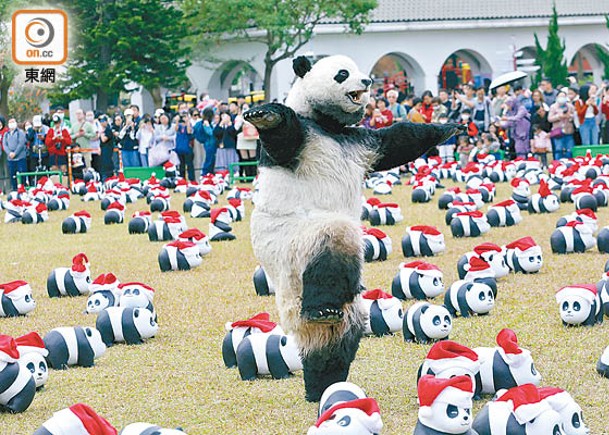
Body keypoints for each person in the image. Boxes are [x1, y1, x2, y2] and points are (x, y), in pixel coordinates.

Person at [548, 91, 576, 160]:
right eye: (560, 96)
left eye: (563, 96)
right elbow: (549, 118)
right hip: (558, 132)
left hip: (569, 131)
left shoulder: (570, 106)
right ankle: (558, 165)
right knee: (558, 150)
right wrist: (559, 116)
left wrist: (569, 116)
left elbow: (575, 116)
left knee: (570, 150)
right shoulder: (553, 107)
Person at [3, 118, 27, 190]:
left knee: (22, 175)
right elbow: (4, 145)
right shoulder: (6, 134)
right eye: (10, 122)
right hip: (10, 159)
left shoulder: (20, 132)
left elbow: (21, 144)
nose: (11, 124)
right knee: (12, 175)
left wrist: (15, 153)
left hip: (20, 158)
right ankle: (14, 189)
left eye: (13, 122)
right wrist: (9, 153)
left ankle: (23, 188)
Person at [194, 107, 217, 175]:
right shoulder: (206, 123)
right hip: (209, 144)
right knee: (209, 161)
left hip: (207, 144)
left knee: (210, 161)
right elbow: (210, 133)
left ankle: (208, 175)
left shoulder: (201, 122)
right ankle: (205, 175)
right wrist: (208, 126)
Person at [174, 111, 194, 180]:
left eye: (185, 117)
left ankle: (191, 179)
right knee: (181, 165)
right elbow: (176, 129)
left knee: (189, 165)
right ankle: (182, 179)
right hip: (180, 148)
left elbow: (189, 131)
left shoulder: (190, 125)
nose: (183, 118)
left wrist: (187, 122)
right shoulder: (179, 126)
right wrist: (177, 121)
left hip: (187, 148)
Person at [98, 115, 114, 181]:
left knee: (107, 164)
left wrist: (101, 133)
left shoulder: (108, 130)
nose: (102, 123)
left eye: (103, 121)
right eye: (101, 122)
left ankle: (108, 177)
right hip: (102, 149)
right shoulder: (103, 130)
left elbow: (104, 139)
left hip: (108, 149)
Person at [190, 108, 204, 177]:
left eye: (198, 115)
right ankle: (197, 177)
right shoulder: (190, 122)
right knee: (197, 159)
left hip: (203, 141)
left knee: (204, 158)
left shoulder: (202, 121)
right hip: (195, 141)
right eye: (195, 115)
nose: (197, 117)